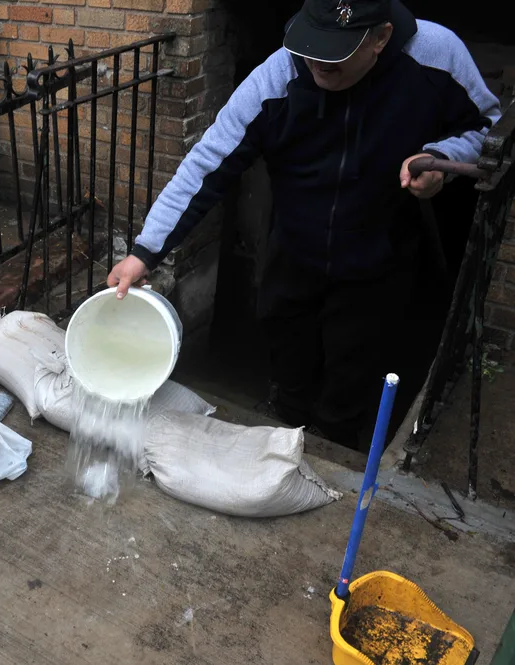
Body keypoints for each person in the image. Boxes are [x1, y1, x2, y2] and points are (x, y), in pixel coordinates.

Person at [107, 0, 501, 448]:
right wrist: (144, 251)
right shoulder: (279, 73)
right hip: (293, 251)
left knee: (353, 376)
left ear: (380, 38)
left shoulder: (436, 53)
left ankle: (334, 443)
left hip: (381, 256)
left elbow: (488, 130)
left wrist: (444, 158)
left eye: (334, 53)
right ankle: (288, 420)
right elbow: (208, 162)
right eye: (310, 44)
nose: (316, 62)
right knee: (288, 357)